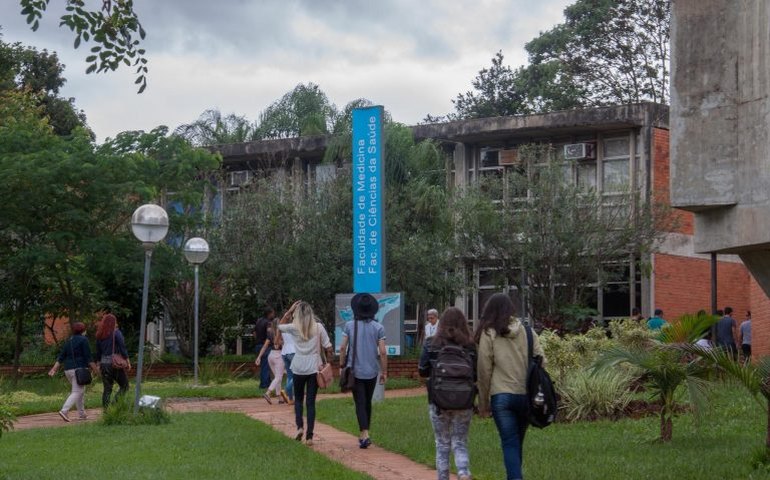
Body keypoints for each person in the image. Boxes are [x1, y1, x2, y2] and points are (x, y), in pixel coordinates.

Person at [476, 293, 545, 480]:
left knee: (509, 442)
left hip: (501, 396)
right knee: (517, 443)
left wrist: (483, 404)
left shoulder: (489, 333)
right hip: (526, 396)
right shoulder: (528, 332)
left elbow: (484, 369)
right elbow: (541, 360)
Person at [418, 307, 476, 480]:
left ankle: (443, 477)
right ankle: (463, 472)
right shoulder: (470, 345)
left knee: (442, 443)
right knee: (460, 441)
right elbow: (477, 374)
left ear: (440, 323)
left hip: (438, 401)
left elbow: (422, 370)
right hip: (464, 401)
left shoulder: (431, 343)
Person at [278, 300, 333, 446]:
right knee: (310, 402)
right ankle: (309, 436)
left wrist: (289, 312)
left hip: (298, 367)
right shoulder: (318, 327)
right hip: (314, 367)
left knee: (298, 400)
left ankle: (299, 427)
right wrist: (328, 361)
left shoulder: (294, 328)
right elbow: (328, 347)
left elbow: (280, 326)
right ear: (311, 313)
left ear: (297, 315)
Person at [338, 292, 387, 449]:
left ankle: (364, 433)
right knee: (367, 402)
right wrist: (384, 372)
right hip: (372, 371)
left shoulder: (349, 325)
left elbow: (342, 347)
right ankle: (364, 433)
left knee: (359, 402)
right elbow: (383, 352)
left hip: (355, 371)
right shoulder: (378, 327)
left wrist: (341, 366)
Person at [48, 322, 99, 422]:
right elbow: (88, 357)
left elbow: (61, 357)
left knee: (80, 391)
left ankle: (82, 414)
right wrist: (96, 370)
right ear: (83, 331)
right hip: (79, 370)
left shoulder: (69, 341)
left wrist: (54, 369)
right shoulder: (84, 340)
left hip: (68, 370)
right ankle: (64, 411)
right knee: (77, 391)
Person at [94, 313, 131, 408]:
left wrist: (98, 364)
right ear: (114, 322)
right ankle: (114, 405)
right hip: (115, 364)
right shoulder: (116, 333)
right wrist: (127, 361)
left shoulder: (99, 335)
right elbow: (123, 348)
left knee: (107, 388)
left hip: (104, 364)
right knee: (125, 386)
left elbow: (98, 352)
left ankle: (106, 411)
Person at [256, 319, 285, 404]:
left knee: (277, 377)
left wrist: (259, 357)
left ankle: (279, 397)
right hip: (278, 356)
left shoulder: (270, 334)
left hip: (270, 356)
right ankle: (268, 393)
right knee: (278, 377)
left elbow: (265, 346)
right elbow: (282, 344)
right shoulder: (282, 334)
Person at [255, 307, 276, 389]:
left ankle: (267, 382)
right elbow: (269, 334)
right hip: (265, 346)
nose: (273, 315)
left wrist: (258, 340)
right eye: (273, 313)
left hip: (258, 345)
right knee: (266, 366)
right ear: (269, 314)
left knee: (264, 365)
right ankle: (264, 385)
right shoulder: (268, 323)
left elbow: (254, 332)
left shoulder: (258, 321)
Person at [276, 319, 295, 405]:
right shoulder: (293, 327)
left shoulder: (282, 328)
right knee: (298, 375)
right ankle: (286, 390)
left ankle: (290, 399)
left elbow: (278, 341)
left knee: (290, 376)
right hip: (293, 352)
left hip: (284, 352)